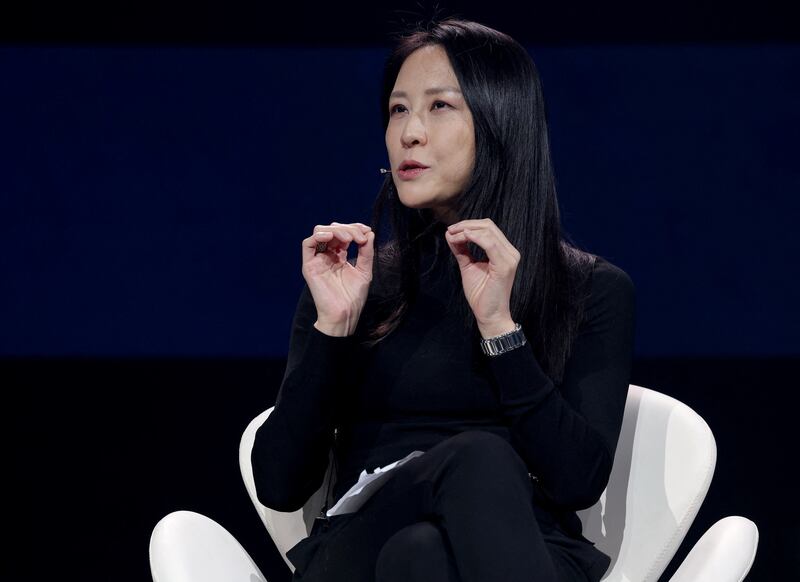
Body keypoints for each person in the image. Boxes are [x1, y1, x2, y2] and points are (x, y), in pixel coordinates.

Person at [251, 17, 636, 582]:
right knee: (477, 460)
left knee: (423, 555)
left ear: (501, 123)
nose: (409, 133)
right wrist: (334, 329)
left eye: (439, 107)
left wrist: (501, 330)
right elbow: (279, 486)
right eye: (398, 109)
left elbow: (578, 483)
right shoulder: (354, 282)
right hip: (358, 551)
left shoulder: (589, 289)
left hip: (520, 548)